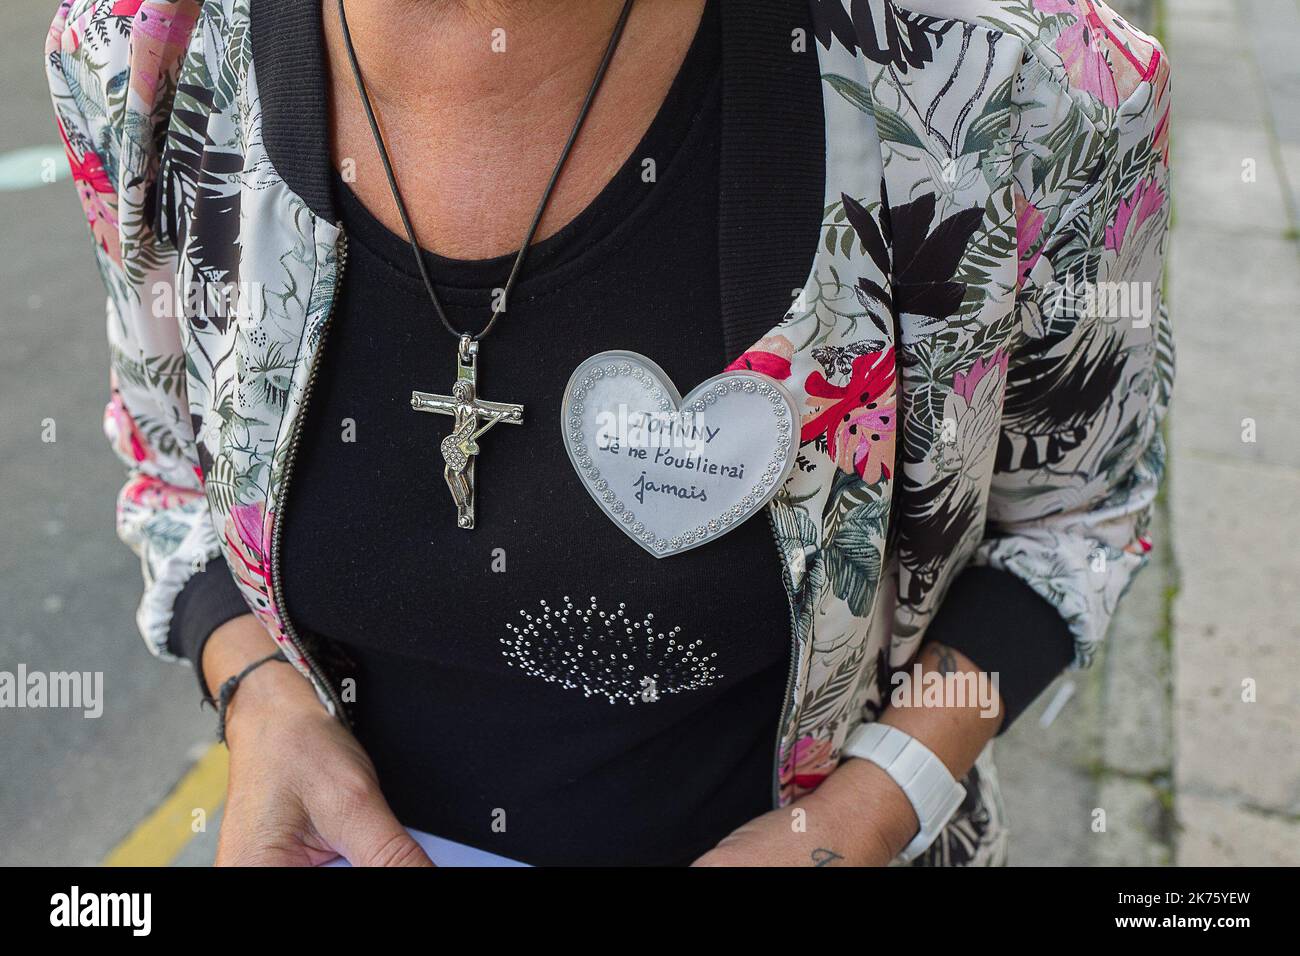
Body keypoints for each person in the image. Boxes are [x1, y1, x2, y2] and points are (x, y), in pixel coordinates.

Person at [46, 0, 1172, 866]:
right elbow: (167, 467)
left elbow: (1074, 524)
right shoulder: (139, 58)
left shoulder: (1018, 83)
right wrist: (255, 691)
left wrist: (871, 811)